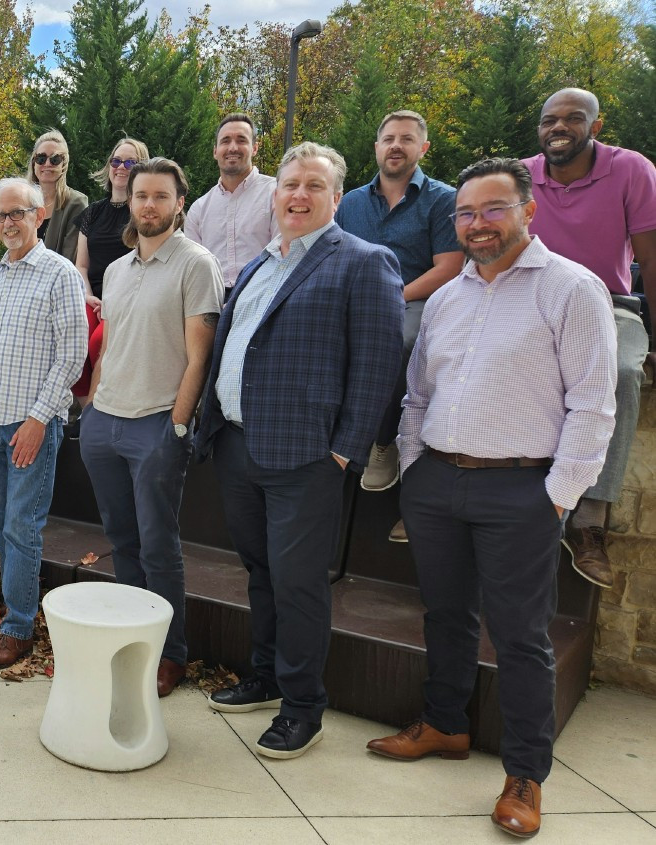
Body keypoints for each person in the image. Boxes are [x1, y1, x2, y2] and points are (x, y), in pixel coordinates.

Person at [369, 158, 615, 839]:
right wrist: (415, 466)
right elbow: (419, 391)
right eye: (466, 213)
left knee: (520, 636)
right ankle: (446, 724)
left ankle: (526, 772)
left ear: (528, 211)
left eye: (493, 209)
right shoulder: (449, 296)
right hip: (438, 479)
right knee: (444, 613)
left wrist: (557, 497)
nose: (477, 224)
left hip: (522, 487)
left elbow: (594, 406)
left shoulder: (571, 290)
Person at [195, 142, 403, 759]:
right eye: (290, 184)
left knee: (298, 585)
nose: (299, 195)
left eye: (314, 185)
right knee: (260, 574)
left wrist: (344, 452)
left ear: (336, 198)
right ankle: (264, 675)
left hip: (306, 459)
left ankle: (303, 705)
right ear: (276, 192)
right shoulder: (261, 263)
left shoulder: (365, 262)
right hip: (237, 447)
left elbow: (378, 367)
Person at [80, 158, 223, 695]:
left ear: (179, 203)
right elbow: (109, 346)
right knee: (122, 539)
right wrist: (92, 405)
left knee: (158, 546)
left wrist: (178, 427)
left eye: (161, 196)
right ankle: (132, 638)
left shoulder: (195, 264)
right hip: (105, 424)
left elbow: (198, 359)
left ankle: (170, 655)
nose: (149, 205)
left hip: (156, 427)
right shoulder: (116, 269)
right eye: (142, 195)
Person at [523, 88, 656, 588]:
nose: (559, 127)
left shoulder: (631, 170)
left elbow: (651, 258)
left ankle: (589, 521)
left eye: (573, 119)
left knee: (621, 373)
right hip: (536, 304)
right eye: (549, 119)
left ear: (595, 126)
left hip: (610, 304)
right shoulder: (521, 175)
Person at [0, 179, 87, 666]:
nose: (7, 223)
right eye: (0, 215)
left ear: (40, 216)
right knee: (4, 524)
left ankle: (19, 629)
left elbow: (73, 354)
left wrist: (39, 419)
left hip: (30, 426)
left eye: (17, 213)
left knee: (22, 525)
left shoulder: (59, 274)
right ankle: (12, 608)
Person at [336, 110, 462, 528]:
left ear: (423, 148)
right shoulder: (351, 202)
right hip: (353, 298)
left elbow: (447, 267)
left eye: (406, 139)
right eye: (388, 138)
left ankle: (382, 440)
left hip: (415, 301)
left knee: (400, 340)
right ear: (376, 147)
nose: (396, 145)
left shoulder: (443, 199)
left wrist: (391, 296)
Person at [184, 113, 278, 289]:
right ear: (215, 151)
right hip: (213, 303)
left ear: (255, 148)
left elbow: (283, 255)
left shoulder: (276, 194)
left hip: (264, 296)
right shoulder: (199, 209)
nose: (233, 147)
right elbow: (193, 268)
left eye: (241, 140)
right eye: (225, 141)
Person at [75, 137, 149, 310]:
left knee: (96, 339)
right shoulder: (92, 212)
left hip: (129, 302)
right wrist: (87, 296)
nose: (121, 167)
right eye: (116, 161)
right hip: (91, 301)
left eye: (130, 163)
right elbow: (82, 266)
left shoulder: (144, 213)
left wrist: (112, 303)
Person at [27, 129, 88, 264]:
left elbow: (69, 258)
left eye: (55, 159)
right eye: (41, 158)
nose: (47, 164)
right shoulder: (23, 202)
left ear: (63, 164)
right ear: (34, 162)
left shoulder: (76, 203)